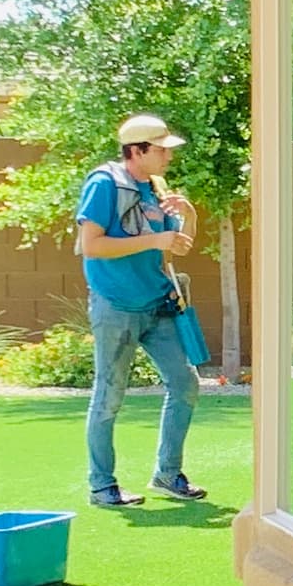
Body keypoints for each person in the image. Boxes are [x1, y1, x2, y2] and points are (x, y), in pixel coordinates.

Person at [75, 112, 208, 508]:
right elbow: (92, 245)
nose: (168, 157)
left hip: (157, 304)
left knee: (186, 384)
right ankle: (102, 486)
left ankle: (168, 475)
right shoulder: (104, 184)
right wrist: (154, 241)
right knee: (109, 396)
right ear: (138, 150)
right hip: (115, 306)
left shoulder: (156, 188)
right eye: (161, 150)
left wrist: (190, 215)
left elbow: (176, 246)